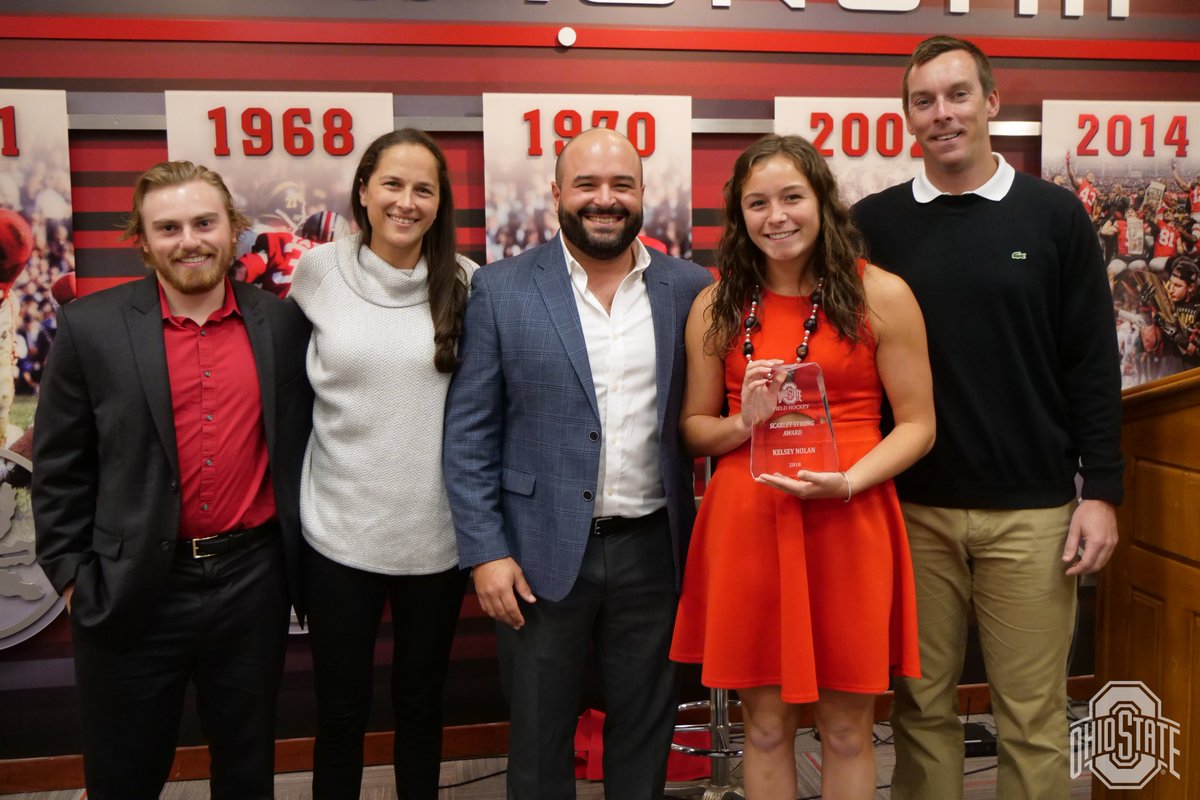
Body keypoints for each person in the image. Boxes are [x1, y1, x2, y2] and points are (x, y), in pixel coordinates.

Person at [852, 35, 1123, 800]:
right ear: (908, 116)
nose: (942, 113)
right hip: (912, 511)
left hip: (1033, 514)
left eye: (958, 94)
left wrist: (1102, 491)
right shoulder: (872, 225)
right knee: (919, 711)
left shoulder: (1054, 216)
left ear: (991, 102)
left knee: (1034, 718)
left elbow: (1093, 363)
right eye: (924, 101)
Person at [443, 126, 711, 800]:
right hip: (536, 554)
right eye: (587, 184)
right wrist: (485, 553)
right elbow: (469, 434)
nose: (604, 199)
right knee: (538, 738)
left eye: (622, 185)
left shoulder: (689, 288)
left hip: (653, 550)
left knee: (645, 730)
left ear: (643, 194)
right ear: (557, 192)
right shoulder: (503, 288)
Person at [32, 160, 313, 800]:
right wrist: (74, 580)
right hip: (131, 587)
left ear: (232, 229)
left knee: (247, 772)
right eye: (169, 227)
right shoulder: (90, 328)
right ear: (143, 240)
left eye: (204, 223)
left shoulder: (283, 325)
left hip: (252, 584)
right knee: (124, 776)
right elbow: (58, 467)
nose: (189, 240)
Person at [669, 134, 934, 799]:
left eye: (792, 197)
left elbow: (919, 425)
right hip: (750, 524)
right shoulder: (717, 305)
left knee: (847, 729)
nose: (776, 216)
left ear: (822, 202)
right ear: (739, 216)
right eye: (757, 203)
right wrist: (744, 421)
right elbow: (695, 430)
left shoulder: (882, 294)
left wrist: (849, 482)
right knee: (764, 726)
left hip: (850, 519)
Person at [289, 128, 476, 800]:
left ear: (440, 202)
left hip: (436, 539)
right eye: (392, 184)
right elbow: (289, 398)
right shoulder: (317, 273)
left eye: (423, 189)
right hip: (338, 536)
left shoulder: (467, 283)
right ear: (363, 190)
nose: (406, 201)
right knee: (341, 712)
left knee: (422, 705)